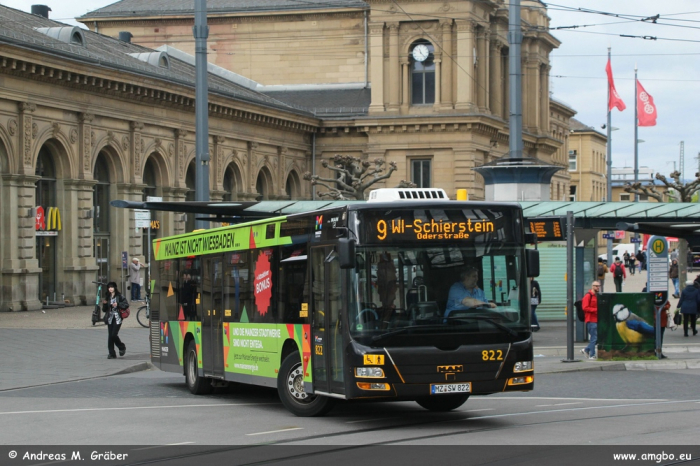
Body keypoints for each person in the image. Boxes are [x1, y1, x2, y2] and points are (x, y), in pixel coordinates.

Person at [102, 282, 129, 359]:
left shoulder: (119, 296)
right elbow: (104, 310)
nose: (110, 289)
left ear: (115, 288)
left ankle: (121, 346)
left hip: (118, 317)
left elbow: (126, 305)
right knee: (110, 336)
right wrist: (105, 304)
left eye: (112, 287)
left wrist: (118, 304)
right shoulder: (107, 297)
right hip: (110, 318)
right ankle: (111, 353)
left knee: (114, 334)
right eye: (109, 287)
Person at [580, 281, 600, 359]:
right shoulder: (588, 296)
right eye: (596, 286)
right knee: (594, 338)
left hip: (596, 319)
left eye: (599, 286)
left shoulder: (596, 296)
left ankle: (586, 349)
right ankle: (592, 355)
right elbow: (585, 307)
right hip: (590, 320)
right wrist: (596, 310)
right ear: (592, 286)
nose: (598, 287)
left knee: (596, 338)